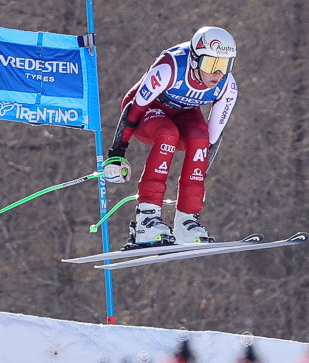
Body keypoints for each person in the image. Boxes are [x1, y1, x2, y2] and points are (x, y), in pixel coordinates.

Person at [102, 26, 238, 248]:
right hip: (147, 112)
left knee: (200, 138)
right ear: (194, 60)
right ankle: (146, 218)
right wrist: (117, 154)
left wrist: (197, 178)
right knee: (168, 135)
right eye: (211, 64)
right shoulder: (170, 67)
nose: (218, 74)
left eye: (225, 65)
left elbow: (212, 139)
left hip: (184, 113)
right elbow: (133, 109)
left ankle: (186, 222)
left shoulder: (227, 86)